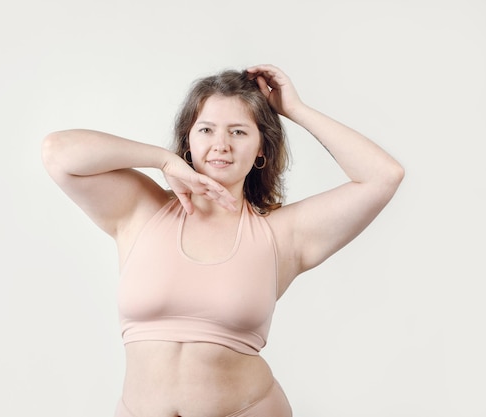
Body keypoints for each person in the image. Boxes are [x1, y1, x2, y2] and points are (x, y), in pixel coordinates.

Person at [41, 64, 404, 417]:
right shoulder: (140, 210)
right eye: (206, 130)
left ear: (262, 148)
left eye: (239, 132)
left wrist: (295, 109)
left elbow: (383, 176)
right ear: (188, 140)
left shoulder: (281, 234)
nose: (221, 145)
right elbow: (57, 151)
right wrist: (163, 161)